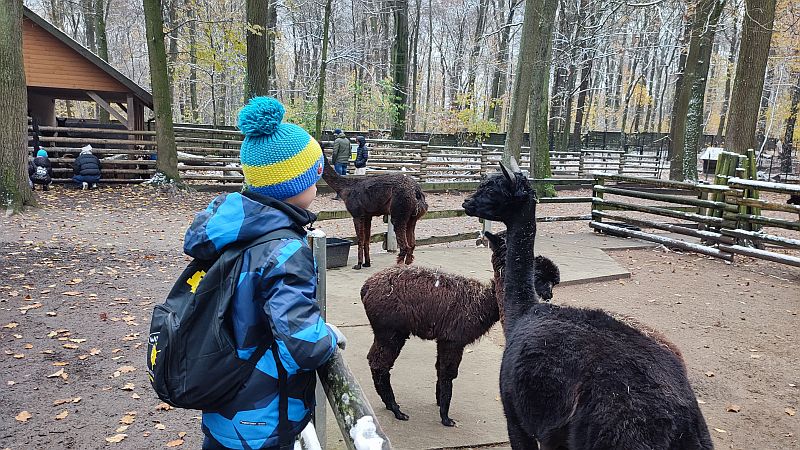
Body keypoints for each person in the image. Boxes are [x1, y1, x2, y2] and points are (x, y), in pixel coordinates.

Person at [185, 96, 346, 450]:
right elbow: (302, 344)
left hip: (223, 403)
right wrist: (329, 337)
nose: (318, 184)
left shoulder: (233, 232)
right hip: (261, 419)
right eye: (314, 175)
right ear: (298, 184)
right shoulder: (285, 251)